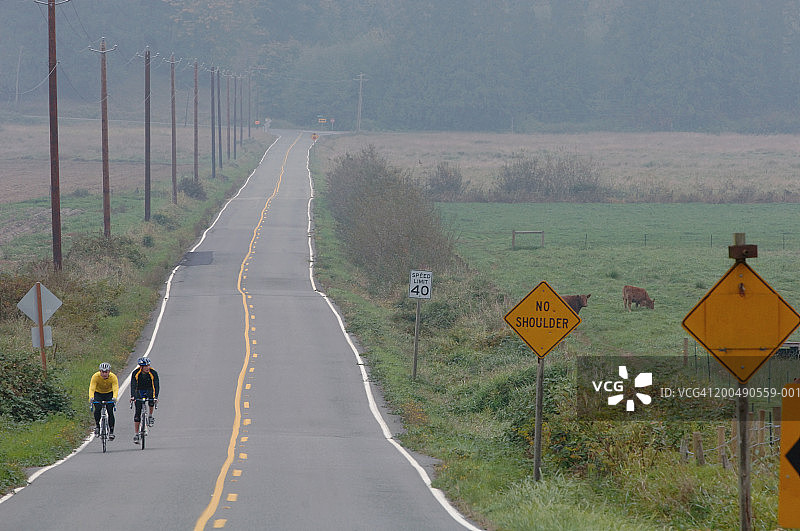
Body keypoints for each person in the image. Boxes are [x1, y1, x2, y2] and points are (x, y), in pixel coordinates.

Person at [130, 357, 159, 444]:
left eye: (148, 365)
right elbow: (133, 385)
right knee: (137, 413)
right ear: (141, 367)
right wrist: (133, 396)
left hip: (149, 389)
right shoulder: (136, 373)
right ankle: (136, 434)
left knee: (151, 400)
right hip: (139, 390)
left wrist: (156, 397)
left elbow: (156, 385)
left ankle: (150, 416)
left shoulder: (153, 372)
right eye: (145, 366)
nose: (147, 367)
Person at [88, 362, 119, 440]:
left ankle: (111, 432)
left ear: (109, 371)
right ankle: (97, 426)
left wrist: (114, 397)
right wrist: (91, 398)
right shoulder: (95, 376)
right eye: (102, 372)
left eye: (106, 372)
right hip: (98, 394)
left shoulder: (113, 377)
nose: (104, 374)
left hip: (109, 394)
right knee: (97, 408)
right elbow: (92, 388)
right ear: (100, 371)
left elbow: (115, 388)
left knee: (110, 411)